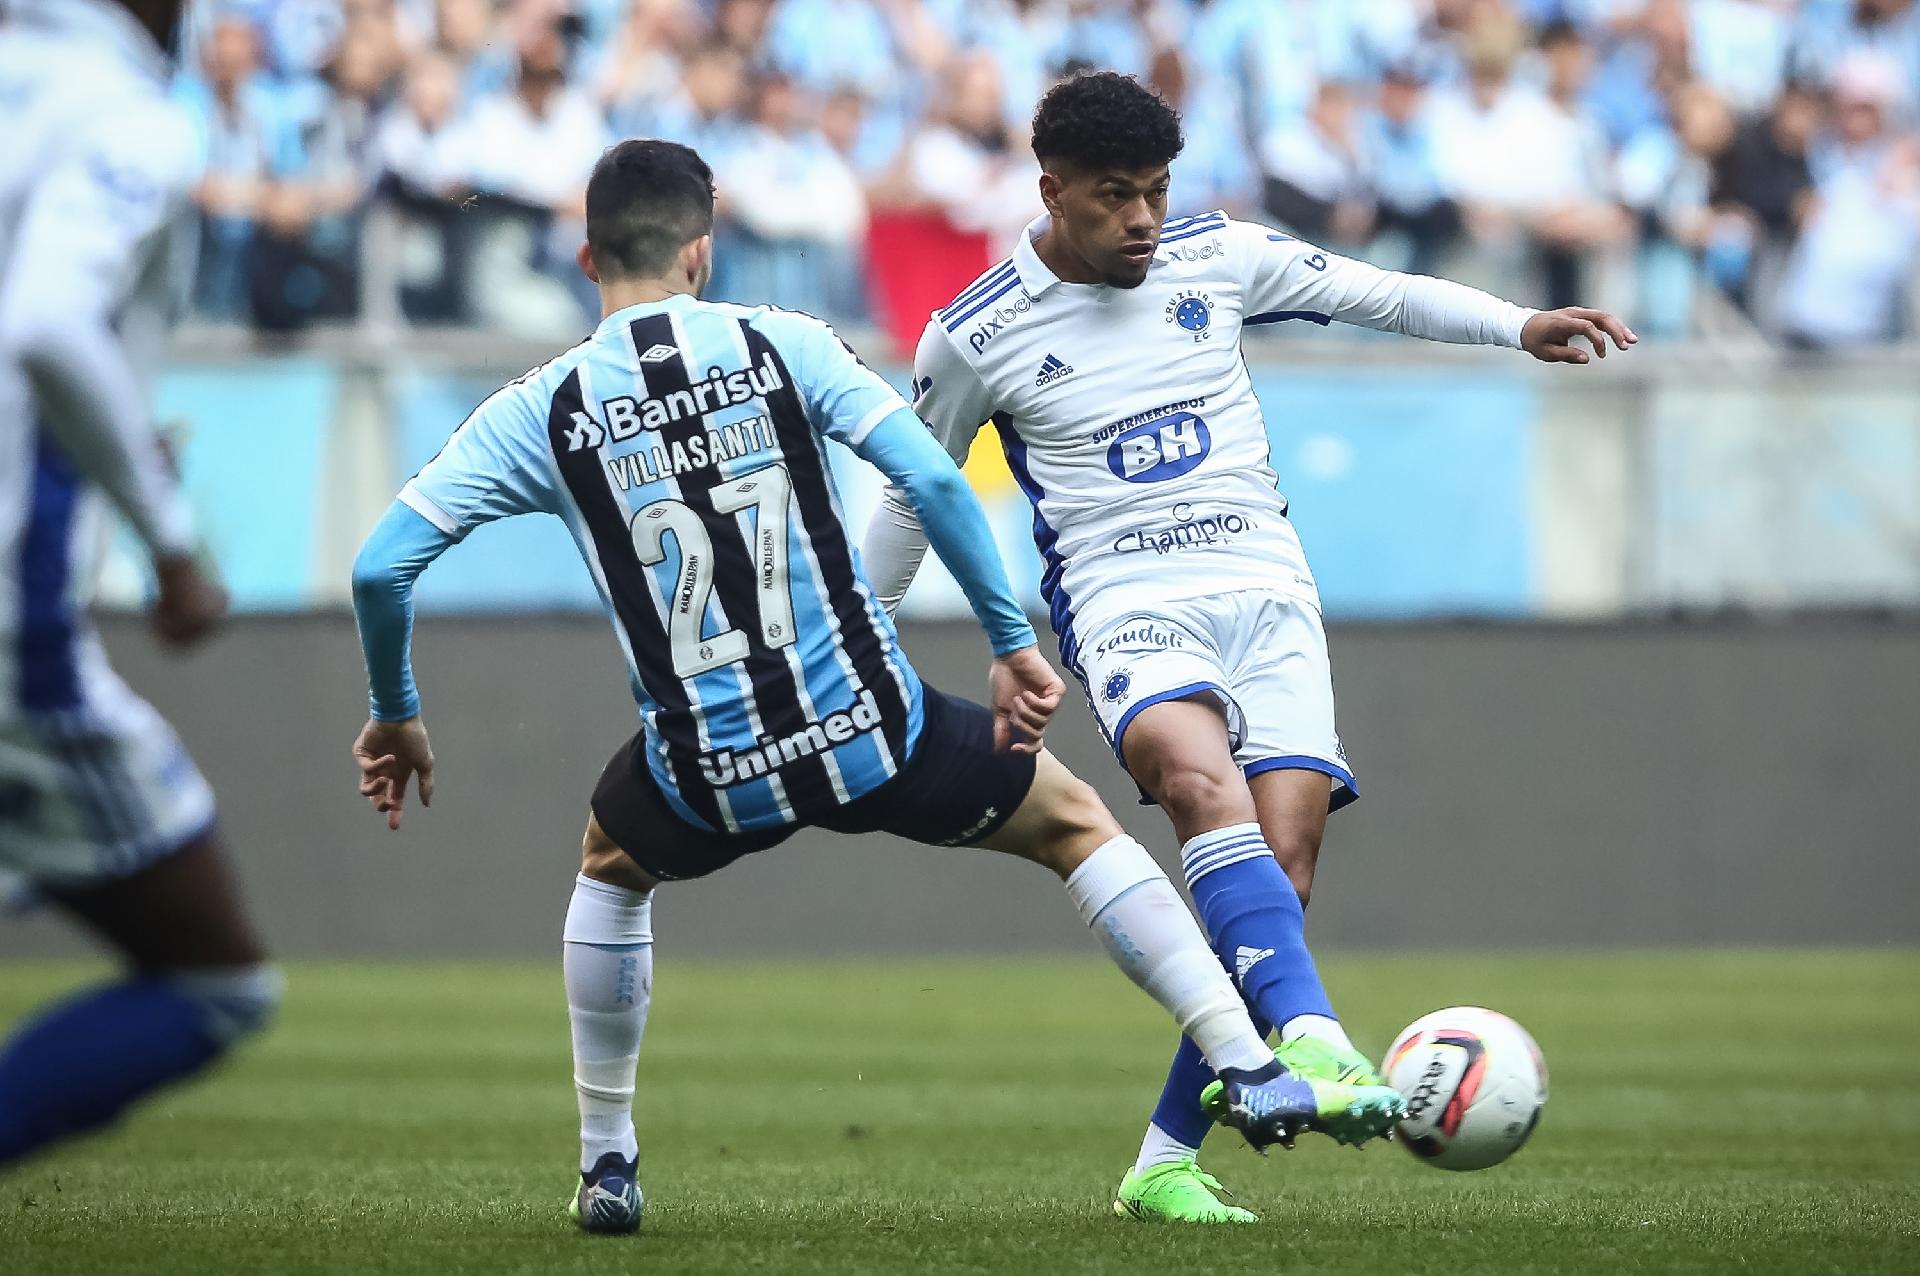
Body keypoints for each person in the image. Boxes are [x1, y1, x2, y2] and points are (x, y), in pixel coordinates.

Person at [346, 138, 1398, 1236]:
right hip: (874, 728)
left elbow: (382, 565)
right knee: (1078, 827)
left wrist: (395, 711)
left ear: (583, 256)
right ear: (703, 252)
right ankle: (1248, 1059)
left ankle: (607, 1158)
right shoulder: (782, 344)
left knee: (611, 865)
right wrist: (1009, 640)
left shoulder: (539, 408)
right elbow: (933, 477)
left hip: (708, 766)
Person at [859, 70, 1633, 1225]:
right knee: (1192, 781)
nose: (1142, 218)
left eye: (1158, 191)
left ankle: (1165, 1158)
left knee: (1283, 869)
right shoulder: (977, 333)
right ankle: (1315, 1042)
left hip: (1267, 586)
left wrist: (1515, 324)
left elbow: (1376, 294)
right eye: (1116, 195)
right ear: (1051, 190)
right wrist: (858, 639)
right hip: (1124, 598)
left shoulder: (1215, 257)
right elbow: (916, 495)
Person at [0, 0, 280, 1166]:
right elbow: (51, 323)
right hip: (16, 637)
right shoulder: (131, 117)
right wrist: (171, 539)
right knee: (216, 979)